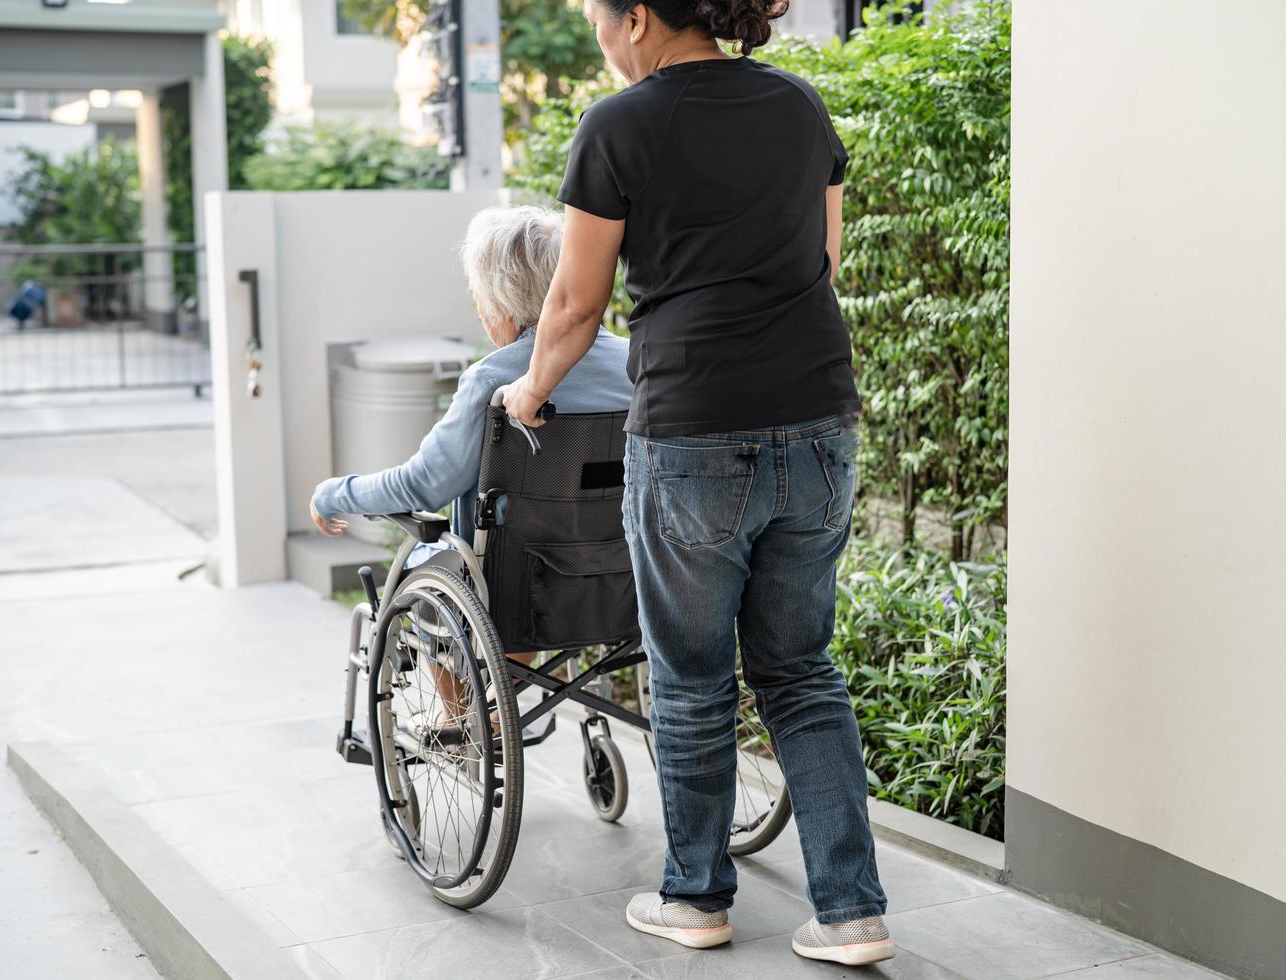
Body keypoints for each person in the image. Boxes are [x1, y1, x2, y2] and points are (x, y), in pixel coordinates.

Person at [498, 0, 892, 966]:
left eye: (596, 12)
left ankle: (696, 899)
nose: (595, 31)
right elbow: (825, 260)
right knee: (800, 671)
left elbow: (576, 300)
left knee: (688, 678)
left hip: (693, 433)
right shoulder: (800, 106)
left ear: (636, 16)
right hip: (818, 425)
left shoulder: (619, 124)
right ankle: (852, 913)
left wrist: (528, 391)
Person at [310, 205, 633, 724]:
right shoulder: (636, 363)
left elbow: (424, 484)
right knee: (509, 572)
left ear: (501, 305)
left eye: (479, 296)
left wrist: (335, 493)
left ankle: (459, 718)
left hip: (517, 586)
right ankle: (497, 701)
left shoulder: (493, 378)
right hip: (622, 572)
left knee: (431, 567)